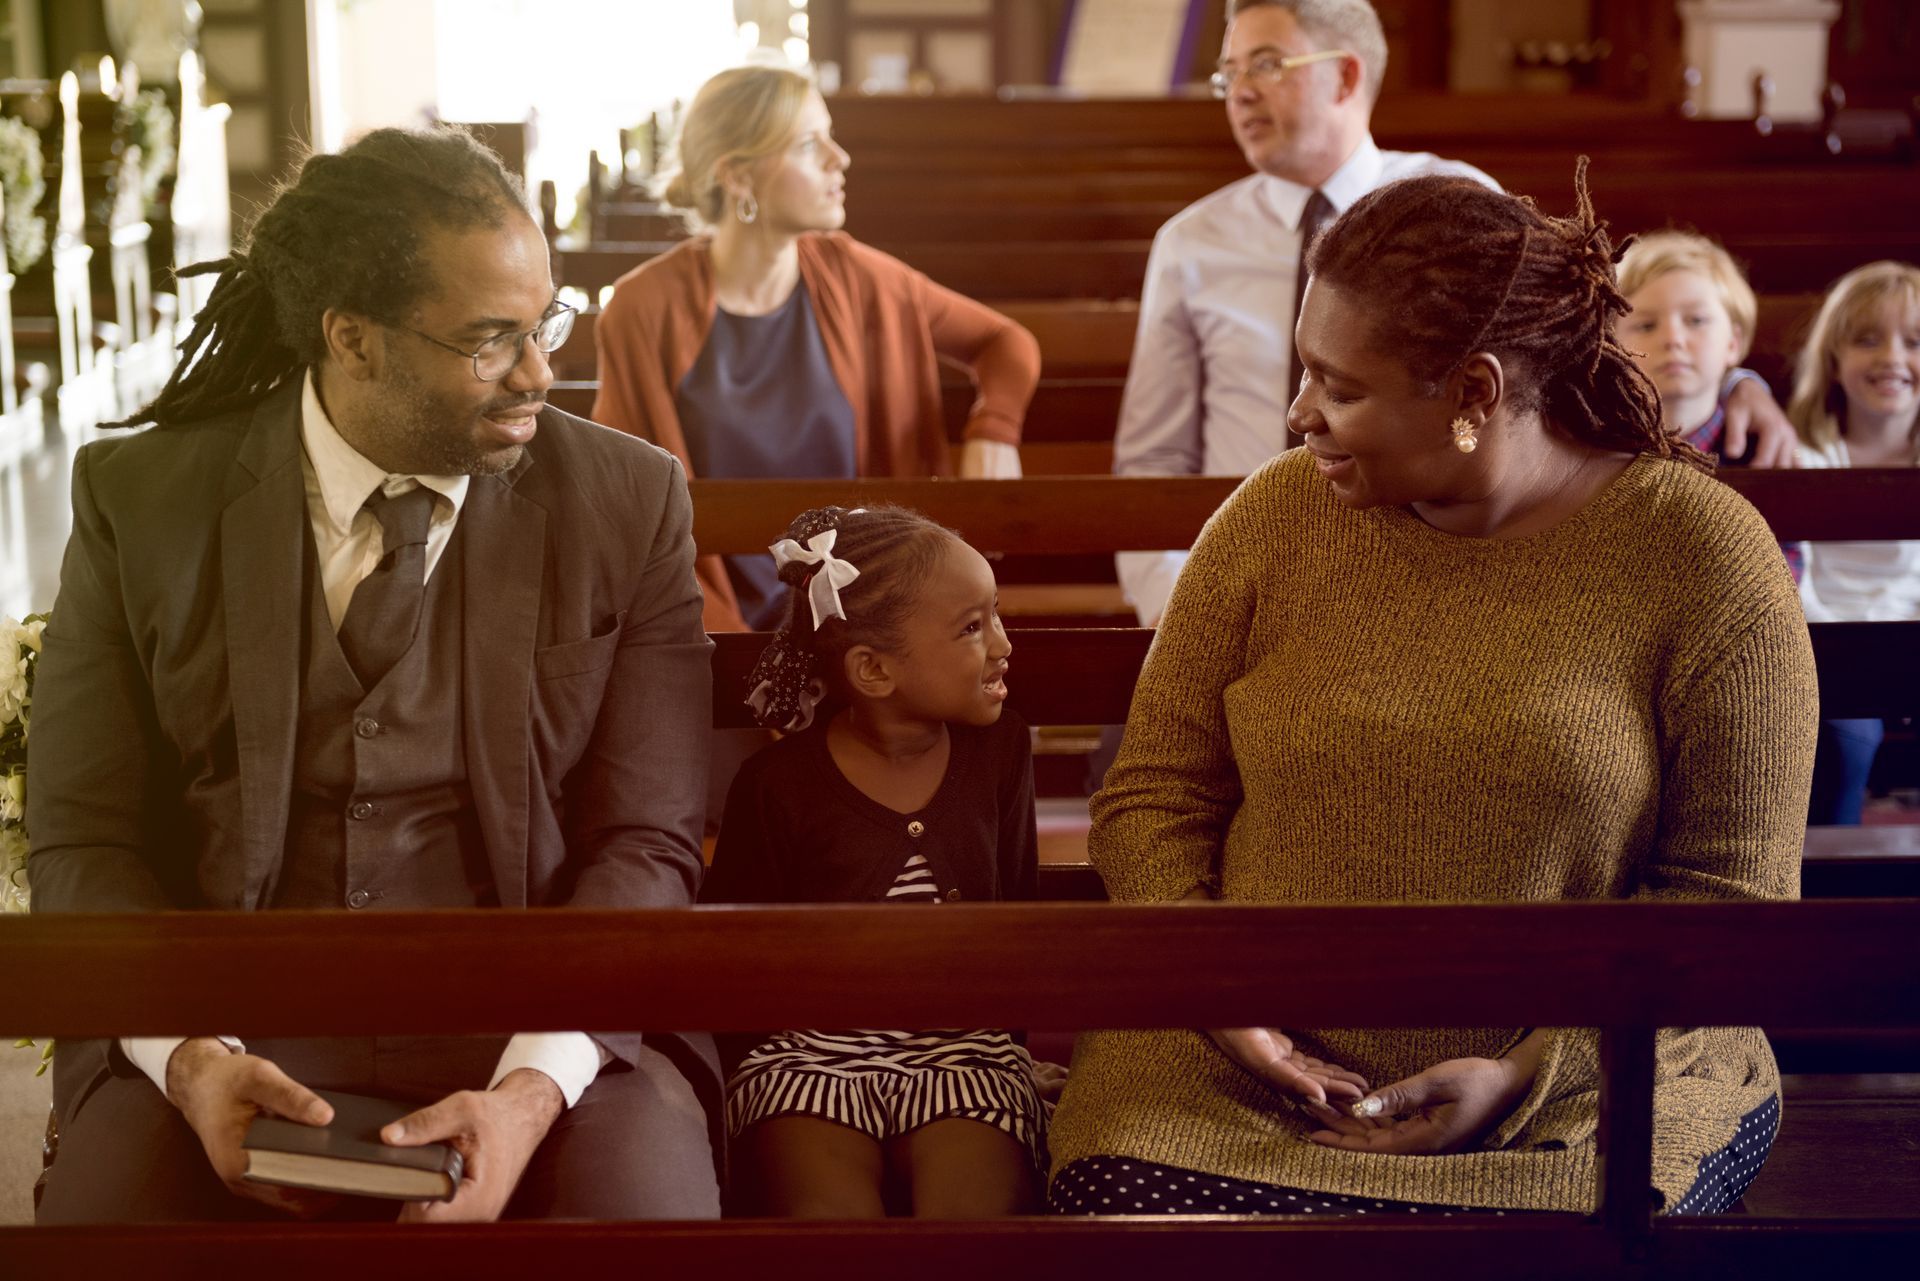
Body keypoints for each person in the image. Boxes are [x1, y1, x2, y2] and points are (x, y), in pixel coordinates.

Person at [1048, 169, 1818, 1219]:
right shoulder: (1276, 517)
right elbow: (1154, 795)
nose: (1300, 414)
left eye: (1341, 388)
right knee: (1132, 1198)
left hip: (1596, 1074)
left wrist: (1526, 1074)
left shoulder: (1702, 554)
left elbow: (1730, 902)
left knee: (1558, 1241)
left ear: (1474, 393)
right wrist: (1223, 998)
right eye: (1305, 370)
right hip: (1240, 1068)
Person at [27, 126, 721, 1223]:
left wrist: (531, 1090)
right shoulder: (143, 500)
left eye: (544, 323)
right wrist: (191, 1059)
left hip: (546, 1013)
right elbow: (84, 838)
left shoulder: (627, 501)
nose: (539, 373)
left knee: (647, 1224)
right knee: (107, 1231)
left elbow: (648, 839)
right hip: (225, 1012)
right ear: (351, 338)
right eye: (490, 341)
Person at [1112, 0, 1797, 627]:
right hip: (1241, 575)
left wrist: (1739, 386)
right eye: (1228, 72)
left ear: (1345, 75)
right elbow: (1153, 456)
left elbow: (1550, 369)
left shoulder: (1454, 201)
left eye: (1265, 64)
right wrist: (1180, 604)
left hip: (1433, 563)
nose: (1240, 90)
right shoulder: (1191, 241)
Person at [591, 66, 1041, 633]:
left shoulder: (859, 277)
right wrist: (729, 654)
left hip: (872, 623)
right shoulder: (643, 307)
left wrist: (994, 430)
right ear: (738, 177)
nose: (839, 158)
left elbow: (1005, 342)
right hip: (704, 625)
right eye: (809, 144)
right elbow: (626, 505)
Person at [700, 505, 1057, 1217]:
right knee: (830, 1226)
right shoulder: (776, 784)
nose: (1003, 643)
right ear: (873, 669)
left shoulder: (1001, 752)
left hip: (962, 1049)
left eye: (995, 614)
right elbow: (735, 955)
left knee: (972, 1223)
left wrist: (1009, 1052)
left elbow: (1014, 910)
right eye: (972, 627)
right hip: (808, 1053)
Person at [1787, 260, 1920, 825]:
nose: (1892, 357)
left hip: (1911, 634)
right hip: (1825, 645)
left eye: (1914, 342)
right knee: (1842, 734)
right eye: (1867, 340)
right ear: (1834, 360)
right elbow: (1795, 574)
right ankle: (1836, 864)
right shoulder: (1800, 454)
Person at [1616, 230, 1783, 460]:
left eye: (1696, 321)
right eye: (1646, 326)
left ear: (1733, 344)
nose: (1673, 339)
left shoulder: (1765, 449)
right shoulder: (1594, 452)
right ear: (1613, 344)